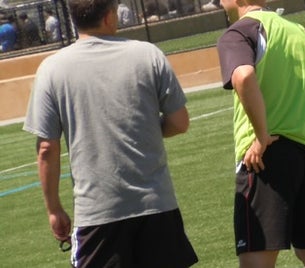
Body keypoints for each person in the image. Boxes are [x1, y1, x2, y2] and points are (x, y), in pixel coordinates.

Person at [22, 0, 198, 266]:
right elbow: (180, 122)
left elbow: (47, 148)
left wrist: (54, 209)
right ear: (108, 16)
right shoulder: (148, 54)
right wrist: (149, 129)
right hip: (156, 205)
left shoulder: (51, 68)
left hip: (97, 212)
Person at [215, 0, 305, 266]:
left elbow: (244, 76)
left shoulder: (239, 32)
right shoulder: (299, 33)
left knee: (256, 259)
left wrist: (261, 137)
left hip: (268, 156)